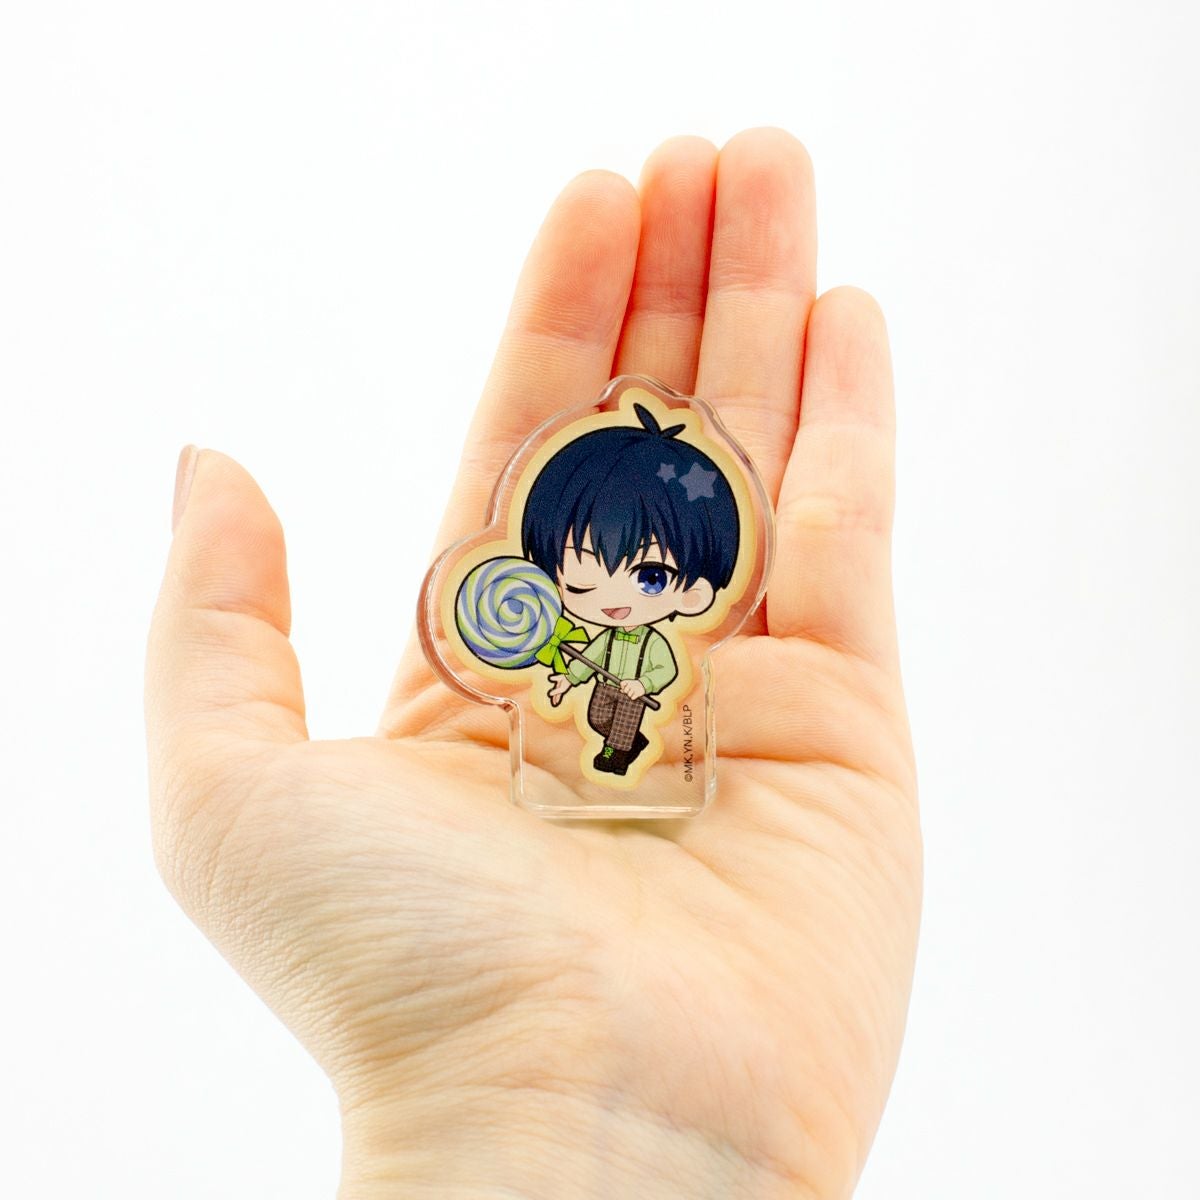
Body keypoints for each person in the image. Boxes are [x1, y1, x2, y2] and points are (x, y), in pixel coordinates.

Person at [146, 127, 921, 1198]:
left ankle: (618, 747)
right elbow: (564, 647)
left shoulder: (662, 651)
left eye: (652, 574)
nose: (616, 590)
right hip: (585, 718)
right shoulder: (560, 628)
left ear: (703, 588)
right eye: (587, 565)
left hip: (642, 711)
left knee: (624, 706)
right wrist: (514, 1107)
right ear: (546, 557)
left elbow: (641, 665)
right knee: (603, 703)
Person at [521, 401, 741, 775]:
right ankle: (628, 743)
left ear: (693, 595)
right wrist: (567, 679)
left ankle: (618, 756)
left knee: (621, 728)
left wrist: (644, 683)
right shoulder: (606, 639)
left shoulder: (653, 642)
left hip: (633, 692)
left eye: (651, 577)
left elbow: (666, 669)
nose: (613, 599)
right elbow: (587, 658)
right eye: (581, 578)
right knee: (597, 718)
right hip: (605, 688)